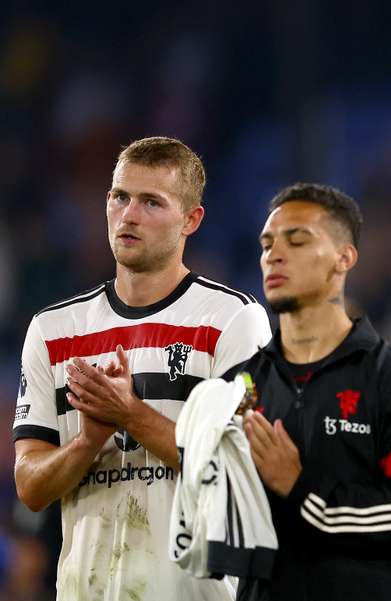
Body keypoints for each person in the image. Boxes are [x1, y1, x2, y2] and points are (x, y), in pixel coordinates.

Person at [12, 136, 273, 601]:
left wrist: (131, 415)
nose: (129, 214)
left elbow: (242, 472)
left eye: (152, 202)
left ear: (191, 220)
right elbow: (31, 486)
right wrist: (88, 441)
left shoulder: (232, 320)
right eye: (120, 197)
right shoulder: (54, 331)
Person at [224, 183, 391, 601]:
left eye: (296, 240)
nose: (273, 255)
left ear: (343, 258)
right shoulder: (241, 386)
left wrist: (302, 490)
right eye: (266, 244)